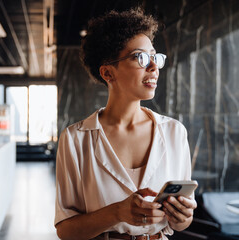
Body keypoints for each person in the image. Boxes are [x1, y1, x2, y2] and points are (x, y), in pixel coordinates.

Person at [54, 8, 197, 240]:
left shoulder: (174, 132)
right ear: (108, 73)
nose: (153, 67)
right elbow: (65, 230)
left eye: (155, 57)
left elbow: (182, 223)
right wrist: (117, 212)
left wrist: (182, 218)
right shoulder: (75, 139)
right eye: (140, 57)